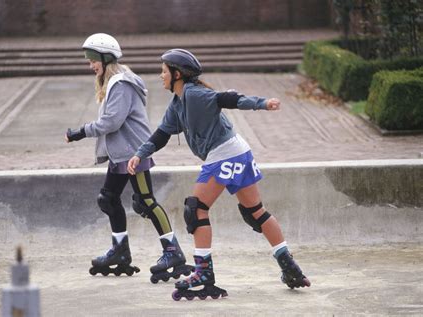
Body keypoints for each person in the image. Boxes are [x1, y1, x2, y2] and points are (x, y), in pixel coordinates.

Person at [127, 49, 310, 300]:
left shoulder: (193, 94)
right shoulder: (178, 102)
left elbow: (227, 99)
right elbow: (161, 134)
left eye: (164, 70)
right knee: (255, 212)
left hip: (224, 154)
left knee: (196, 208)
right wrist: (140, 153)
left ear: (177, 74)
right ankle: (290, 267)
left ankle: (203, 273)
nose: (160, 75)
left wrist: (262, 104)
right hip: (239, 150)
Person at [65, 34, 192, 283]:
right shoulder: (113, 81)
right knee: (108, 199)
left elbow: (111, 121)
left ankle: (173, 251)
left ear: (105, 57)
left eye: (92, 60)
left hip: (134, 153)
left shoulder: (120, 83)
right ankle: (120, 252)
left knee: (145, 202)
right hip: (120, 154)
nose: (90, 65)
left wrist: (80, 132)